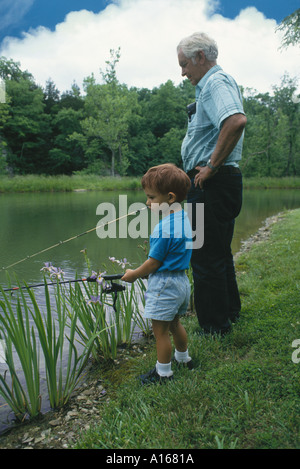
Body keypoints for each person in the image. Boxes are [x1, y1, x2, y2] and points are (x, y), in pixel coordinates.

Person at [177, 32, 247, 335]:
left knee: (203, 256)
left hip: (213, 183)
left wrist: (210, 167)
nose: (182, 72)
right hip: (216, 183)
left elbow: (235, 121)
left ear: (200, 57)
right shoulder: (209, 86)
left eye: (184, 65)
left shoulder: (216, 83)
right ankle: (228, 313)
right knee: (217, 252)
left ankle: (214, 328)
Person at [122, 163, 193, 385]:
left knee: (160, 331)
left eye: (151, 198)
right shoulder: (185, 219)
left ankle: (163, 374)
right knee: (175, 324)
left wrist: (134, 274)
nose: (147, 203)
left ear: (170, 197)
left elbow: (153, 264)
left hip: (165, 284)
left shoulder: (163, 228)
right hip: (181, 281)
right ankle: (184, 359)